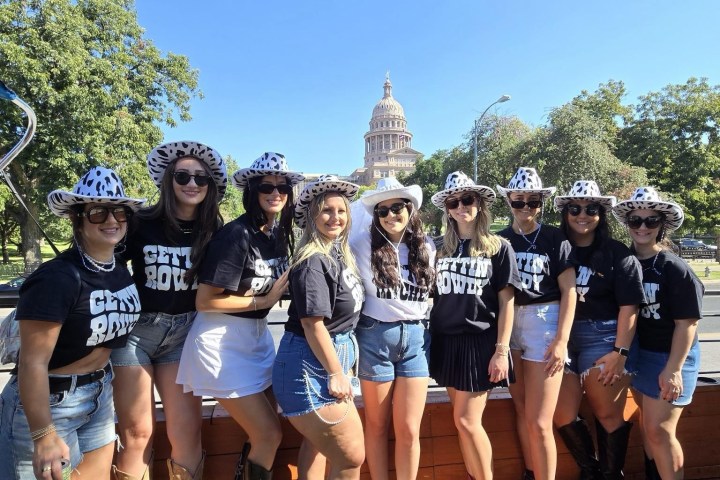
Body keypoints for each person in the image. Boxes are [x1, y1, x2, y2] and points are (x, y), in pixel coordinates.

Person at [0, 166, 144, 480]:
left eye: (119, 212)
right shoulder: (56, 278)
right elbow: (32, 363)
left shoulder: (117, 268)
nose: (111, 220)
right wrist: (44, 434)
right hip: (49, 404)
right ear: (76, 218)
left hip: (99, 391)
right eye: (97, 212)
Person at [176, 152, 302, 479]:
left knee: (268, 430)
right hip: (222, 344)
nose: (275, 193)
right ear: (252, 191)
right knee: (268, 434)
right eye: (265, 187)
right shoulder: (237, 234)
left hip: (257, 341)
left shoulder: (275, 234)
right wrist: (265, 300)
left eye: (282, 187)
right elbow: (205, 301)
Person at [111, 141, 227, 480]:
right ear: (168, 180)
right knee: (137, 433)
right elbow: (106, 265)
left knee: (187, 431)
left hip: (184, 335)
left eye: (200, 179)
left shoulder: (215, 231)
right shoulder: (140, 222)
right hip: (135, 334)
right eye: (182, 176)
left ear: (209, 186)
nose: (192, 184)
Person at [272, 174, 366, 480]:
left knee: (317, 447)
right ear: (312, 216)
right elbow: (313, 325)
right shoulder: (314, 261)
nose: (335, 217)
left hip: (326, 360)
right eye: (326, 210)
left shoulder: (337, 254)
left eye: (341, 211)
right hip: (311, 365)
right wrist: (336, 372)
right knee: (351, 457)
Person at [429, 171, 521, 480]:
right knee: (461, 423)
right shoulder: (438, 247)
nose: (460, 207)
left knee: (468, 421)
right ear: (447, 209)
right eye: (453, 202)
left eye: (467, 200)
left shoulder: (498, 247)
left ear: (479, 204)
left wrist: (501, 350)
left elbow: (508, 302)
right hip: (446, 340)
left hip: (480, 342)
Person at [552, 180, 645, 480]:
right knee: (561, 414)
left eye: (591, 209)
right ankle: (590, 471)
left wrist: (620, 352)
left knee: (607, 414)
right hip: (560, 339)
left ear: (601, 214)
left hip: (603, 337)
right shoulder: (555, 247)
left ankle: (610, 474)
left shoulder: (617, 254)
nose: (583, 215)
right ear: (565, 213)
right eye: (575, 209)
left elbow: (630, 307)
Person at [613, 187, 703, 479]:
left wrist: (674, 369)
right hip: (641, 354)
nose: (642, 227)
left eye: (651, 221)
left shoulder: (674, 268)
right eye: (635, 220)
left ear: (661, 225)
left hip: (671, 356)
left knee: (659, 430)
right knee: (648, 428)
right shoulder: (626, 262)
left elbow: (687, 324)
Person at [349, 177, 436, 480]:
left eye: (396, 207)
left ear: (410, 208)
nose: (389, 216)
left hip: (415, 339)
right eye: (381, 211)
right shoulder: (361, 244)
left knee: (410, 429)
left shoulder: (426, 246)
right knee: (376, 425)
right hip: (375, 336)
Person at [496, 167, 576, 480]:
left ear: (541, 203)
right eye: (519, 201)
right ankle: (531, 471)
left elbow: (569, 290)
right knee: (522, 410)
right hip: (511, 322)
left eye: (533, 201)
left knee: (541, 421)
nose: (526, 207)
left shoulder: (555, 238)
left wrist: (561, 339)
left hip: (545, 319)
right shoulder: (500, 241)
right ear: (509, 202)